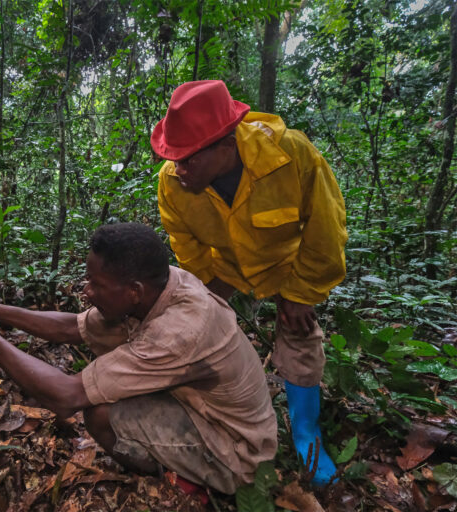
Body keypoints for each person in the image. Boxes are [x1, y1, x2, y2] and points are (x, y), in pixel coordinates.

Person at [0, 223, 276, 495]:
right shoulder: (161, 286)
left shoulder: (179, 330)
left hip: (238, 455)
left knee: (101, 415)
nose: (86, 292)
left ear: (134, 291)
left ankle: (192, 482)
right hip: (205, 413)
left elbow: (66, 398)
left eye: (96, 284)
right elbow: (72, 328)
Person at [152, 80, 348, 485]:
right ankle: (218, 412)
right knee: (197, 324)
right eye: (174, 159)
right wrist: (208, 299)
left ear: (226, 145)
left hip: (284, 262)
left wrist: (300, 294)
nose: (178, 169)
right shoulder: (173, 181)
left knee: (300, 336)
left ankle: (307, 436)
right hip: (224, 266)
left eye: (188, 160)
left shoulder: (291, 155)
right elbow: (184, 243)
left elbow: (326, 229)